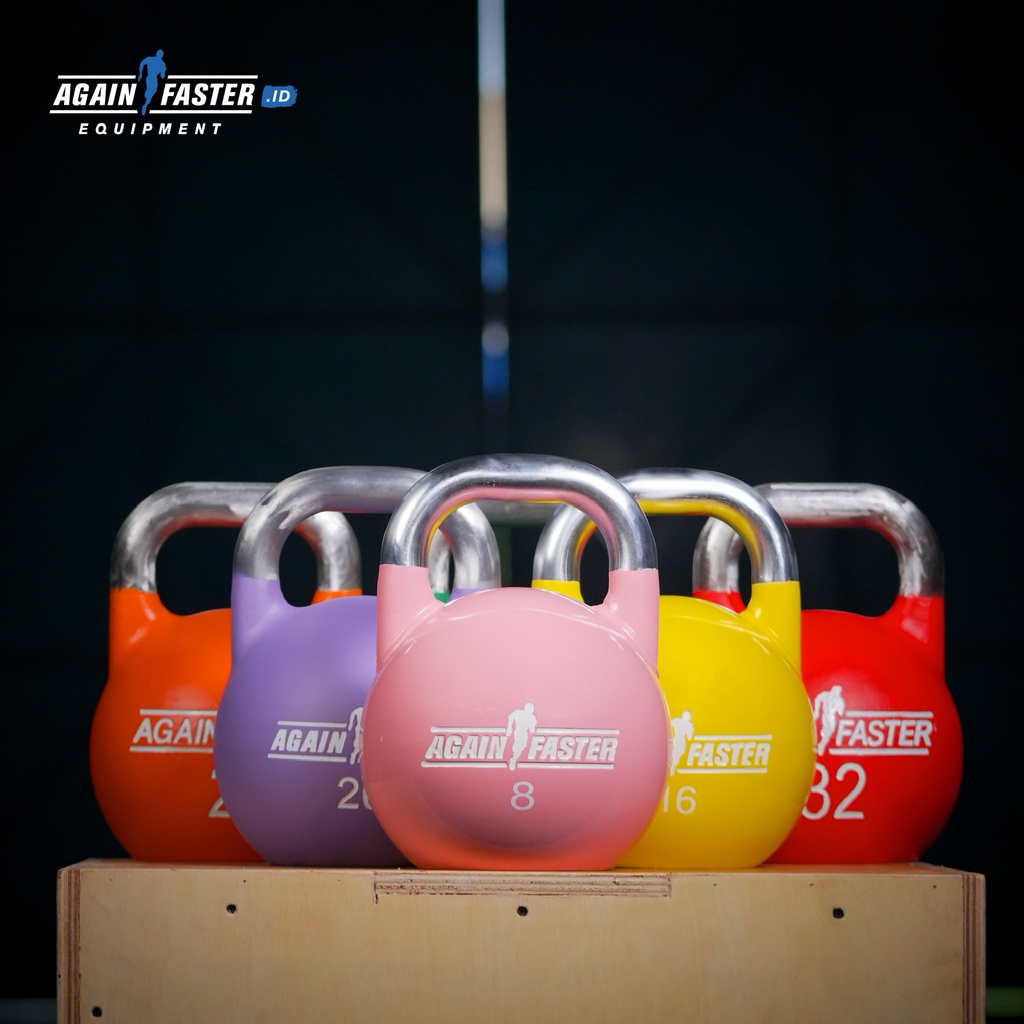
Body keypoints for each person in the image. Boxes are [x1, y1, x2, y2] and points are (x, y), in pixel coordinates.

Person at [505, 701, 537, 770]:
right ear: (525, 707)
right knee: (520, 745)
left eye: (531, 708)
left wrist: (533, 724)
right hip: (519, 731)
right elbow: (510, 716)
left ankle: (514, 756)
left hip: (523, 732)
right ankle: (514, 758)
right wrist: (509, 727)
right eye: (529, 708)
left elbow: (532, 730)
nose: (531, 710)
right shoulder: (519, 712)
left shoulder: (532, 717)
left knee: (522, 745)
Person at [138, 50, 167, 115]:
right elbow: (142, 63)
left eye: (161, 54)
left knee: (154, 91)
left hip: (154, 79)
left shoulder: (162, 64)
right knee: (150, 91)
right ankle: (145, 102)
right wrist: (140, 74)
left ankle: (145, 103)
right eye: (159, 54)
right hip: (150, 77)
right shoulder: (150, 59)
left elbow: (162, 77)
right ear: (157, 54)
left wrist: (164, 70)